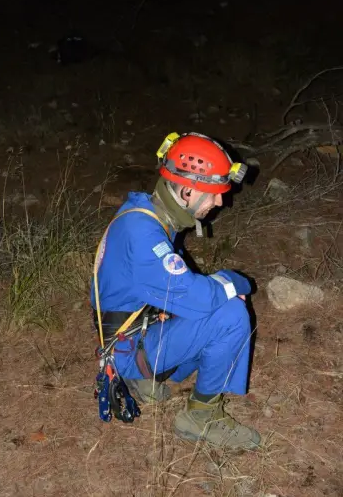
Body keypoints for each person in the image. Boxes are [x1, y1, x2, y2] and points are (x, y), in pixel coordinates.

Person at [91, 132, 260, 450]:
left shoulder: (146, 214)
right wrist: (233, 281)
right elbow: (195, 296)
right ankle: (200, 417)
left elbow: (172, 286)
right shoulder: (142, 234)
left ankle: (142, 379)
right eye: (214, 194)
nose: (220, 202)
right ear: (187, 190)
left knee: (217, 302)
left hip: (133, 336)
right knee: (232, 315)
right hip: (129, 350)